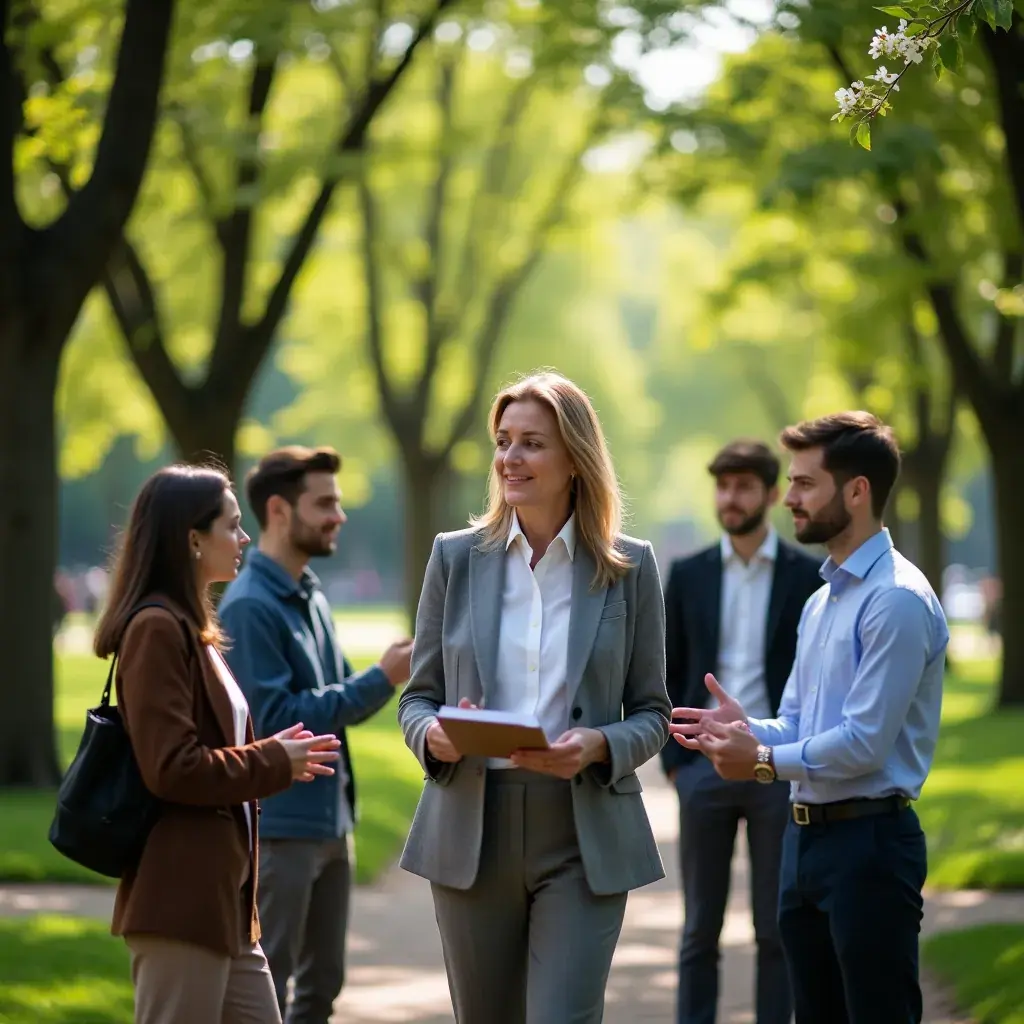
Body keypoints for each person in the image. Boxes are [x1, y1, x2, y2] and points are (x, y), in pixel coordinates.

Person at [398, 371, 671, 1024]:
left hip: (582, 835)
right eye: (503, 441)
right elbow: (418, 698)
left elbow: (653, 712)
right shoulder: (455, 558)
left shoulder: (629, 567)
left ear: (575, 458)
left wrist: (599, 744)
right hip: (473, 829)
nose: (510, 459)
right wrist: (432, 735)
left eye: (532, 443)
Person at [670, 412, 949, 1024]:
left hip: (870, 846)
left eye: (804, 483)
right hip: (805, 843)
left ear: (857, 491)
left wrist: (761, 761)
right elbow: (797, 720)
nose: (790, 499)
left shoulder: (896, 599)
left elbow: (864, 744)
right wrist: (746, 731)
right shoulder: (822, 601)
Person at [93, 464, 341, 1024]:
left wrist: (270, 754)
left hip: (226, 905)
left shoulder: (193, 629)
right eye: (232, 525)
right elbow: (171, 767)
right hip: (181, 901)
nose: (245, 537)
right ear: (193, 539)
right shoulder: (156, 628)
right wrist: (272, 760)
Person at [219, 446, 413, 1024]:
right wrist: (381, 678)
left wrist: (384, 678)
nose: (339, 516)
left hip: (331, 822)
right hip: (282, 827)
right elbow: (278, 718)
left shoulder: (310, 592)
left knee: (322, 987)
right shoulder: (250, 606)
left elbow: (337, 695)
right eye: (324, 503)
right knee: (268, 986)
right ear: (279, 511)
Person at [661, 440, 822, 1024]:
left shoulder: (809, 577)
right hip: (701, 767)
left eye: (745, 486)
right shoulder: (688, 574)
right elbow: (666, 670)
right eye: (723, 486)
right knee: (699, 929)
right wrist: (677, 765)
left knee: (777, 927)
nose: (731, 498)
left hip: (775, 765)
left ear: (772, 495)